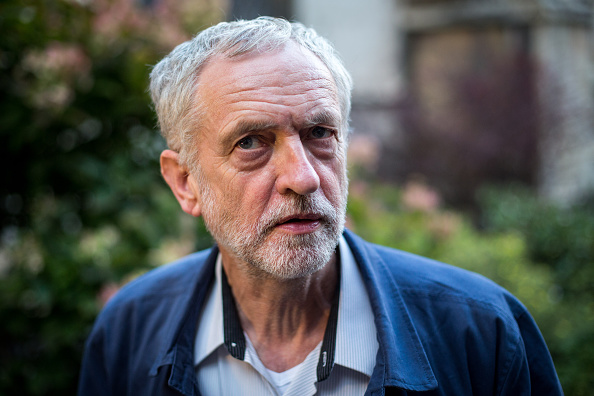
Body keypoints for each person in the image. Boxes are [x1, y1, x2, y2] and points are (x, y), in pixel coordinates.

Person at [77, 17, 563, 396]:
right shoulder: (129, 331)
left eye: (319, 134)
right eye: (251, 142)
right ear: (185, 183)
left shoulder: (481, 334)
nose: (304, 176)